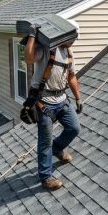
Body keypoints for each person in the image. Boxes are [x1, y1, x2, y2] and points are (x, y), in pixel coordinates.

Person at [24, 33, 83, 191]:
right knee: (45, 141)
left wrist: (78, 98)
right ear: (63, 36)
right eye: (71, 39)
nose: (72, 43)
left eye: (74, 39)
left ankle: (57, 149)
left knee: (74, 128)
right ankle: (45, 177)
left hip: (62, 99)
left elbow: (71, 76)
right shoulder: (46, 49)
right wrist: (31, 35)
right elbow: (29, 58)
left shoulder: (69, 53)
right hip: (44, 102)